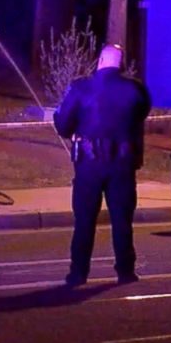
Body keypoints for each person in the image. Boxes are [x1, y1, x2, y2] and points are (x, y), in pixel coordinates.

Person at [54, 44, 151, 286]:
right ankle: (126, 271)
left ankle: (78, 273)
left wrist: (60, 117)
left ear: (99, 61)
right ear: (120, 63)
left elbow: (64, 126)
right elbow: (140, 115)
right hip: (122, 164)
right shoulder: (136, 90)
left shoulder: (81, 88)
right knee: (122, 221)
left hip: (89, 164)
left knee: (85, 221)